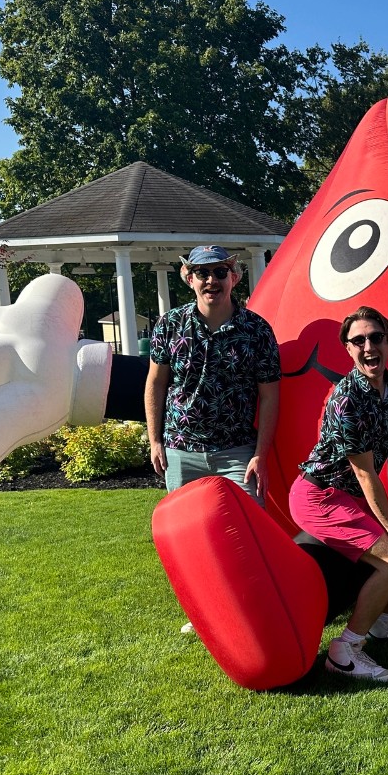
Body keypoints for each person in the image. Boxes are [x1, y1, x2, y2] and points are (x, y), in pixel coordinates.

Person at [289, 307, 388, 683]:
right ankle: (345, 650)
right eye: (358, 340)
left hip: (350, 497)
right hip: (319, 496)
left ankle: (383, 625)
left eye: (376, 337)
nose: (369, 346)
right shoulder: (346, 398)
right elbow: (366, 473)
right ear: (348, 349)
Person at [145, 245, 281, 633]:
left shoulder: (256, 330)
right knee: (189, 538)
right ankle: (203, 612)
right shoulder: (169, 325)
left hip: (238, 449)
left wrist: (261, 453)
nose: (212, 281)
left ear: (234, 278)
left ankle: (254, 612)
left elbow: (270, 393)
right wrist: (155, 440)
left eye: (220, 272)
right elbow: (156, 383)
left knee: (249, 536)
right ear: (188, 278)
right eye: (202, 273)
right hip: (180, 450)